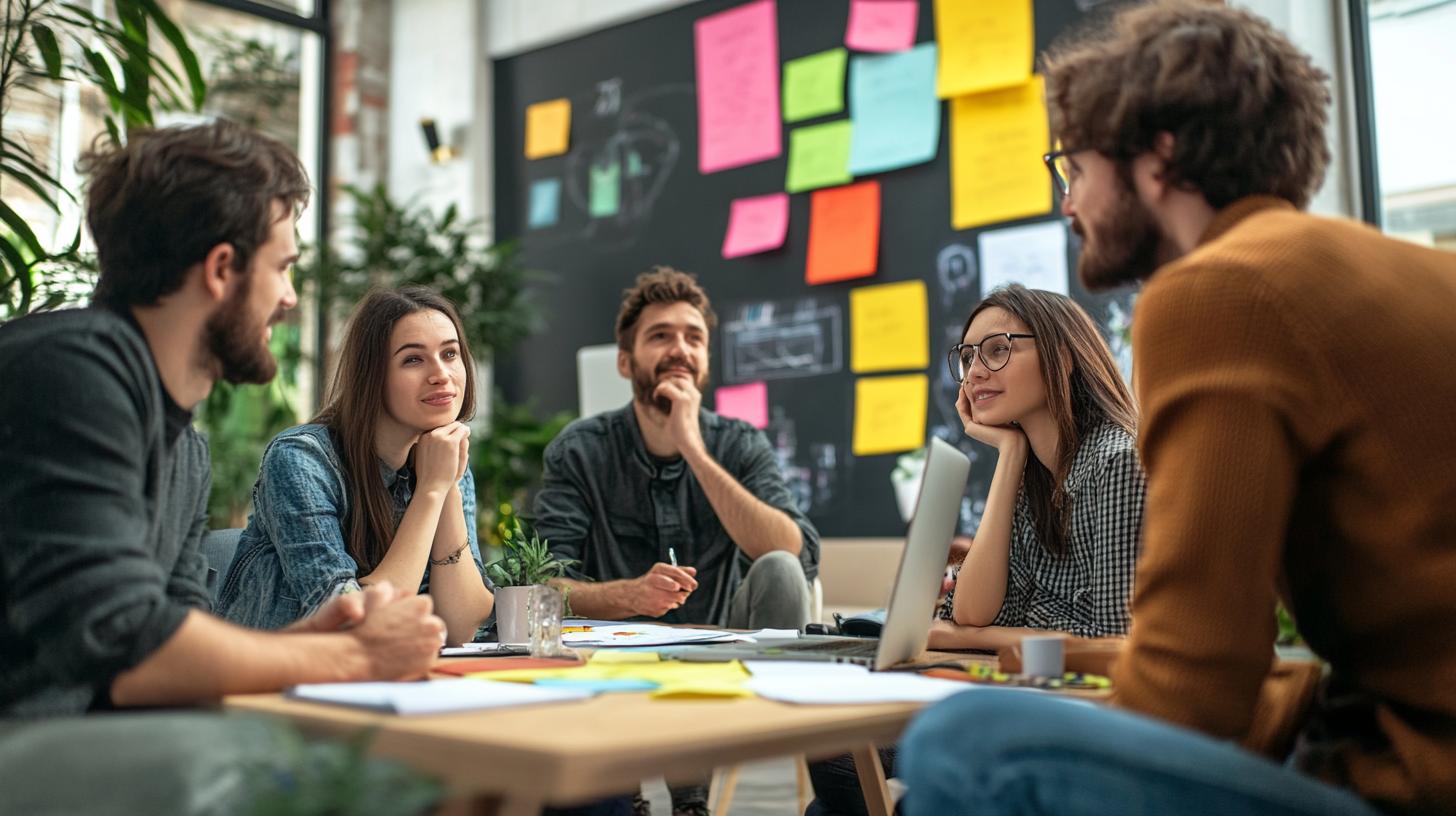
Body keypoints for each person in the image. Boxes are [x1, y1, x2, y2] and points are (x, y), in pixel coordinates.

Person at [900, 3, 1456, 815]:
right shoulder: (1412, 275)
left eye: (1075, 167)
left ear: (1158, 158)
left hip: (1418, 786)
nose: (1069, 203)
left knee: (963, 742)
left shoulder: (1217, 290)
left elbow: (1194, 686)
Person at [0, 121, 445, 812]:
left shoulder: (184, 444)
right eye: (284, 268)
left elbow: (159, 651)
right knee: (346, 777)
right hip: (24, 740)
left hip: (71, 741)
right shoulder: (73, 371)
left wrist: (308, 642)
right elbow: (123, 646)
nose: (290, 299)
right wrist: (356, 659)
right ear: (220, 270)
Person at [807, 285, 1146, 816]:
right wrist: (1008, 455)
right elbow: (976, 608)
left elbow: (1113, 642)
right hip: (1031, 688)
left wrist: (959, 635)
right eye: (967, 357)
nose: (975, 372)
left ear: (1062, 356)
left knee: (843, 764)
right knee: (834, 747)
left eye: (997, 349)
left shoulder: (1115, 464)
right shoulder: (1034, 472)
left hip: (1095, 711)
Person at [534, 266, 820, 815]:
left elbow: (795, 550)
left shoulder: (738, 443)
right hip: (612, 659)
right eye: (660, 335)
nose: (679, 349)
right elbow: (544, 583)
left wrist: (692, 446)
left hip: (722, 659)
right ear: (626, 361)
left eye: (694, 337)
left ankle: (700, 780)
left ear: (707, 360)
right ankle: (631, 786)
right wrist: (629, 597)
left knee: (781, 567)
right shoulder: (580, 450)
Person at [217, 287, 494, 645]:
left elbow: (460, 628)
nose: (441, 374)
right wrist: (432, 490)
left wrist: (446, 487)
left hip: (384, 682)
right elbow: (356, 622)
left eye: (450, 353)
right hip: (276, 682)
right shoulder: (301, 461)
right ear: (372, 375)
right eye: (413, 359)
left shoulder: (439, 459)